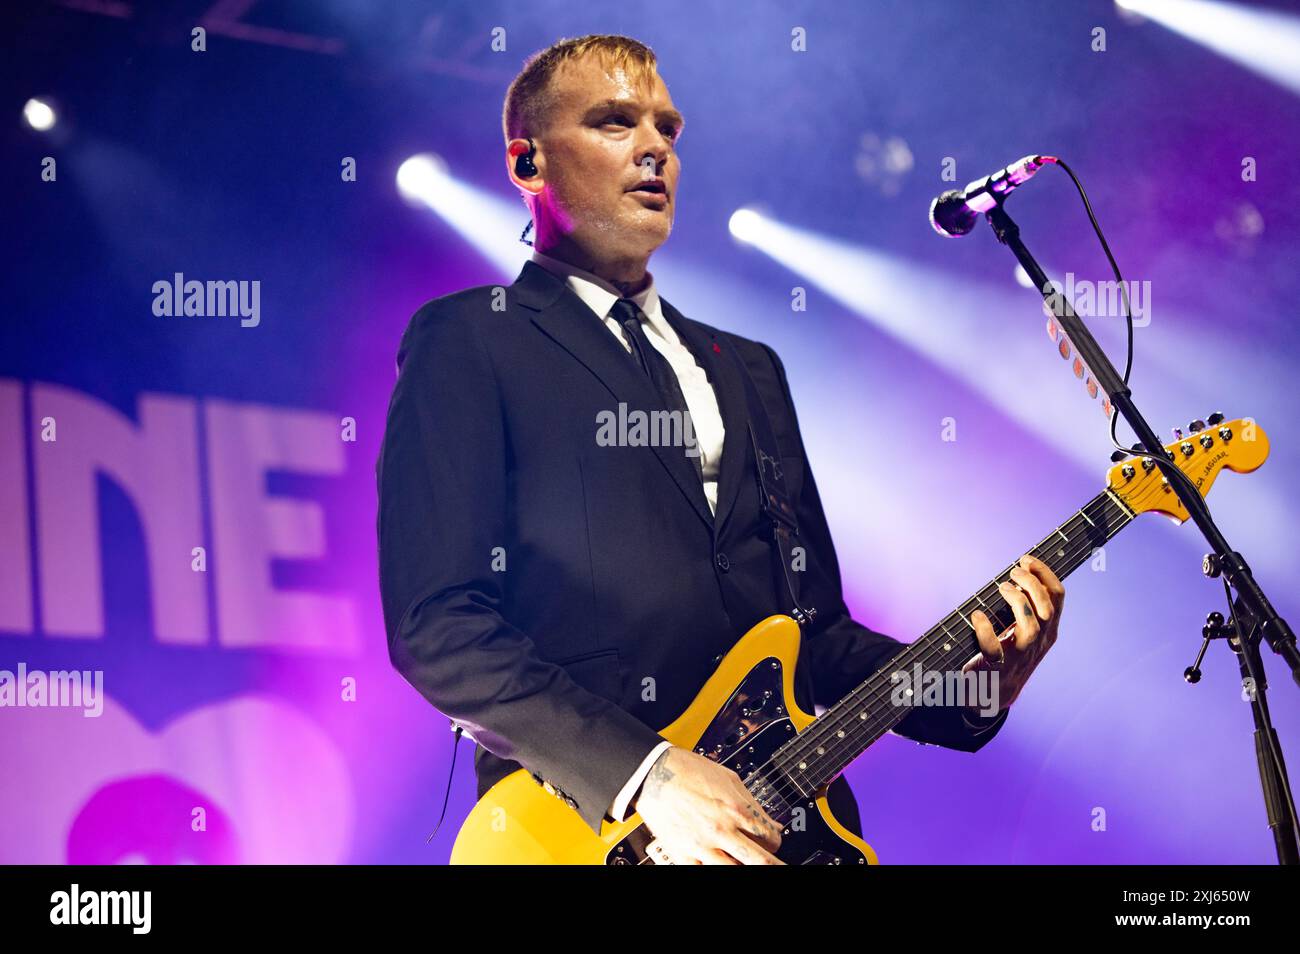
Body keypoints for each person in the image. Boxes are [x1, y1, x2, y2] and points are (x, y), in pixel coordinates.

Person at [376, 34, 1064, 865]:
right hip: (589, 829)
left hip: (786, 832)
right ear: (529, 165)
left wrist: (972, 689)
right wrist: (651, 776)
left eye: (667, 128)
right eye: (614, 122)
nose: (654, 146)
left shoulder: (746, 370)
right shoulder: (469, 342)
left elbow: (819, 636)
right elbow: (437, 624)